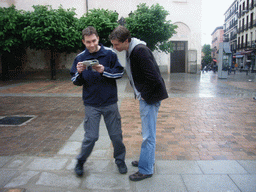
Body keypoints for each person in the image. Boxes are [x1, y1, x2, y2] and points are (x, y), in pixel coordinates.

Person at [109, 26, 168, 181]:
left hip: (150, 98)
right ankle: (146, 160)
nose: (115, 48)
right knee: (148, 133)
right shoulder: (132, 49)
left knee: (148, 136)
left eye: (117, 45)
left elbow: (154, 78)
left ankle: (146, 169)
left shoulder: (139, 51)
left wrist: (144, 96)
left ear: (126, 40)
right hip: (148, 97)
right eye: (113, 45)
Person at [70, 26, 127, 177]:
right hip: (91, 104)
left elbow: (120, 72)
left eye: (94, 40)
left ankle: (120, 160)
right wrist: (79, 72)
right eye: (88, 42)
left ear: (98, 39)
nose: (91, 44)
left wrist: (104, 70)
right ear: (83, 41)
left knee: (116, 135)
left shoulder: (110, 54)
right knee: (91, 137)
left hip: (110, 103)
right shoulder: (80, 57)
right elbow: (75, 81)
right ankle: (80, 162)